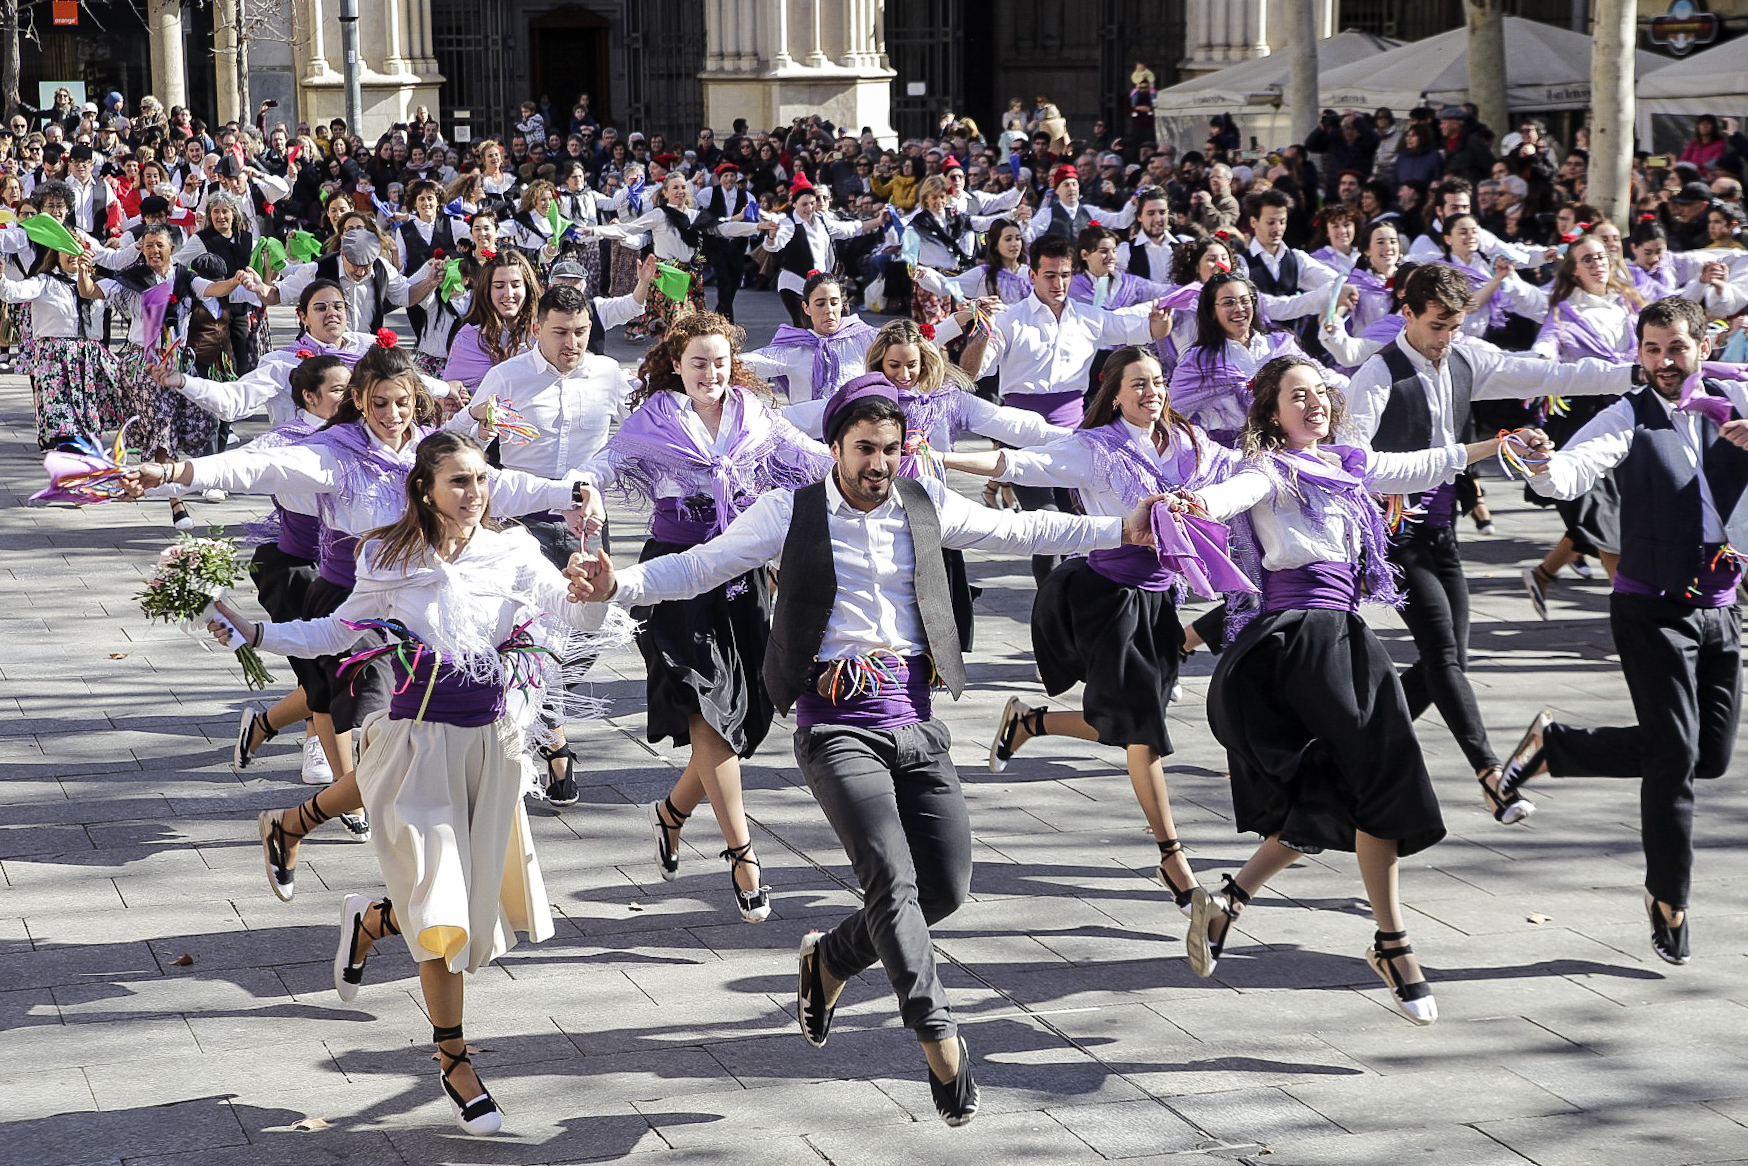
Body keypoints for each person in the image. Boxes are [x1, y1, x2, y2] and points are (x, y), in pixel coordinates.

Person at [564, 372, 1166, 1126]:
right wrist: (617, 583)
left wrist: (1124, 527)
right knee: (890, 877)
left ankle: (832, 958)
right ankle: (937, 1034)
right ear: (835, 448)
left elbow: (1024, 532)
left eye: (891, 449)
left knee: (943, 889)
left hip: (914, 721)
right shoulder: (792, 510)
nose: (879, 463)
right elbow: (697, 567)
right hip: (833, 722)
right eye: (864, 449)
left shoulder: (922, 502)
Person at [204, 429, 627, 1136]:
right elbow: (338, 633)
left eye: (482, 479)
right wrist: (258, 637)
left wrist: (592, 588)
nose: (474, 493)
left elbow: (571, 617)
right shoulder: (387, 556)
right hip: (414, 749)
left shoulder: (515, 550)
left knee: (466, 909)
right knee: (442, 911)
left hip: (492, 751)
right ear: (425, 488)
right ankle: (454, 1060)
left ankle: (370, 922)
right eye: (458, 481)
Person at [126, 343, 598, 894]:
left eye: (402, 403)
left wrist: (572, 490)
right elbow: (256, 465)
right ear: (358, 400)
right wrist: (172, 473)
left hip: (424, 612)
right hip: (357, 596)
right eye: (379, 404)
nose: (393, 416)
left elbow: (499, 483)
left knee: (391, 746)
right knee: (377, 740)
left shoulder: (431, 453)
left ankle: (302, 824)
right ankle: (403, 874)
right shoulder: (334, 452)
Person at [1177, 355, 1535, 1024]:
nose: (1313, 404)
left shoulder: (1347, 465)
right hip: (1293, 643)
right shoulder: (1266, 469)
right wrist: (1197, 503)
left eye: (1319, 394)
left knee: (1340, 792)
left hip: (1344, 639)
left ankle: (1228, 902)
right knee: (1379, 778)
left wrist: (1497, 443)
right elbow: (1230, 498)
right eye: (1296, 396)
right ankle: (1394, 946)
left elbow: (1426, 462)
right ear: (1272, 412)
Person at [943, 346, 1237, 911]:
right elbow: (1018, 466)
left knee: (1122, 724)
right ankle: (1172, 857)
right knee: (1144, 732)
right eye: (1138, 384)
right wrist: (942, 460)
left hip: (1158, 601)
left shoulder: (1191, 444)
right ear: (1116, 392)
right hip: (1105, 600)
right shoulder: (1094, 448)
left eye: (1157, 382)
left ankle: (1031, 722)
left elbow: (1239, 474)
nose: (1151, 392)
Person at [1503, 295, 1748, 966]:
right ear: (1639, 354)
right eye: (1653, 350)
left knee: (1710, 756)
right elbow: (1571, 472)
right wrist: (1543, 463)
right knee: (1673, 759)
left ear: (1704, 347)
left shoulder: (1738, 401)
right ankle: (1669, 901)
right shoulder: (1625, 416)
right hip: (1650, 606)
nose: (1666, 362)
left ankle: (1556, 747)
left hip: (1721, 607)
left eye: (1677, 348)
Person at [1344, 264, 1635, 823]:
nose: (1446, 337)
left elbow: (1549, 375)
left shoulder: (1466, 359)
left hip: (1441, 531)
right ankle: (1490, 774)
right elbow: (1364, 469)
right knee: (1445, 655)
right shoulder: (1375, 377)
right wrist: (1468, 454)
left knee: (1448, 659)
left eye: (1455, 325)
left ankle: (1354, 743)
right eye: (1437, 325)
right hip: (1391, 534)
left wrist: (1633, 374)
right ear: (1406, 313)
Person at [574, 312, 833, 922]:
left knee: (746, 715)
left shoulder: (753, 413)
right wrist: (584, 487)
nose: (710, 373)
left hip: (739, 572)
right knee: (707, 709)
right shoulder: (656, 416)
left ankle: (672, 811)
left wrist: (878, 466)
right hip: (674, 574)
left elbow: (814, 458)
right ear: (676, 365)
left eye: (719, 361)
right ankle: (743, 854)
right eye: (698, 363)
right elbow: (609, 462)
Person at [464, 283, 640, 804]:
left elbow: (629, 439)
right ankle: (551, 739)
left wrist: (595, 485)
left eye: (581, 332)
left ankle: (546, 720)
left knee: (587, 629)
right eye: (560, 331)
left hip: (585, 520)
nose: (572, 342)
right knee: (527, 630)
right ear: (536, 327)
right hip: (521, 521)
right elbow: (473, 445)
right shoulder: (507, 377)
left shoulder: (608, 375)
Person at [959, 236, 1173, 584]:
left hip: (1075, 438)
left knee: (1086, 527)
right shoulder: (1010, 320)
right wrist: (981, 331)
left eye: (1064, 275)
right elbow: (971, 372)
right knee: (1046, 527)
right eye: (1049, 275)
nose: (1057, 284)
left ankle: (1077, 606)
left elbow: (1145, 329)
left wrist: (1162, 320)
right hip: (1022, 437)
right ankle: (1051, 612)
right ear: (1032, 276)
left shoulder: (1088, 317)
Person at [1521, 233, 1638, 615]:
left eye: (1601, 256)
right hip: (1584, 418)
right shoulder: (1564, 309)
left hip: (1630, 410)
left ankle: (1543, 573)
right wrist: (1538, 359)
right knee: (1602, 513)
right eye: (1586, 259)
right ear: (1573, 268)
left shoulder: (1630, 301)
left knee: (1616, 510)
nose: (1596, 264)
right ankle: (1629, 609)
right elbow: (1548, 342)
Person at [1168, 271, 1342, 445]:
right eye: (1229, 302)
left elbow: (1321, 376)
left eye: (1245, 301)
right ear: (1212, 311)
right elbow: (1172, 409)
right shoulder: (1198, 361)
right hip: (1235, 451)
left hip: (1289, 444)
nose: (1239, 309)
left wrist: (1355, 386)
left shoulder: (1279, 344)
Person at [759, 172, 886, 326]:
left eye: (812, 203)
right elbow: (776, 245)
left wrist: (878, 221)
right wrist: (772, 236)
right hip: (794, 283)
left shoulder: (821, 219)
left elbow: (850, 228)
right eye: (804, 204)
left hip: (820, 283)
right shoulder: (789, 222)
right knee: (804, 326)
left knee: (832, 324)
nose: (810, 208)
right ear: (794, 204)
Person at [743, 271, 879, 403]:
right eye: (820, 304)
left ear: (842, 304)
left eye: (834, 302)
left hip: (854, 422)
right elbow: (745, 364)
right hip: (805, 424)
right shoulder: (793, 348)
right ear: (806, 308)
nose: (829, 309)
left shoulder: (864, 338)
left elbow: (895, 345)